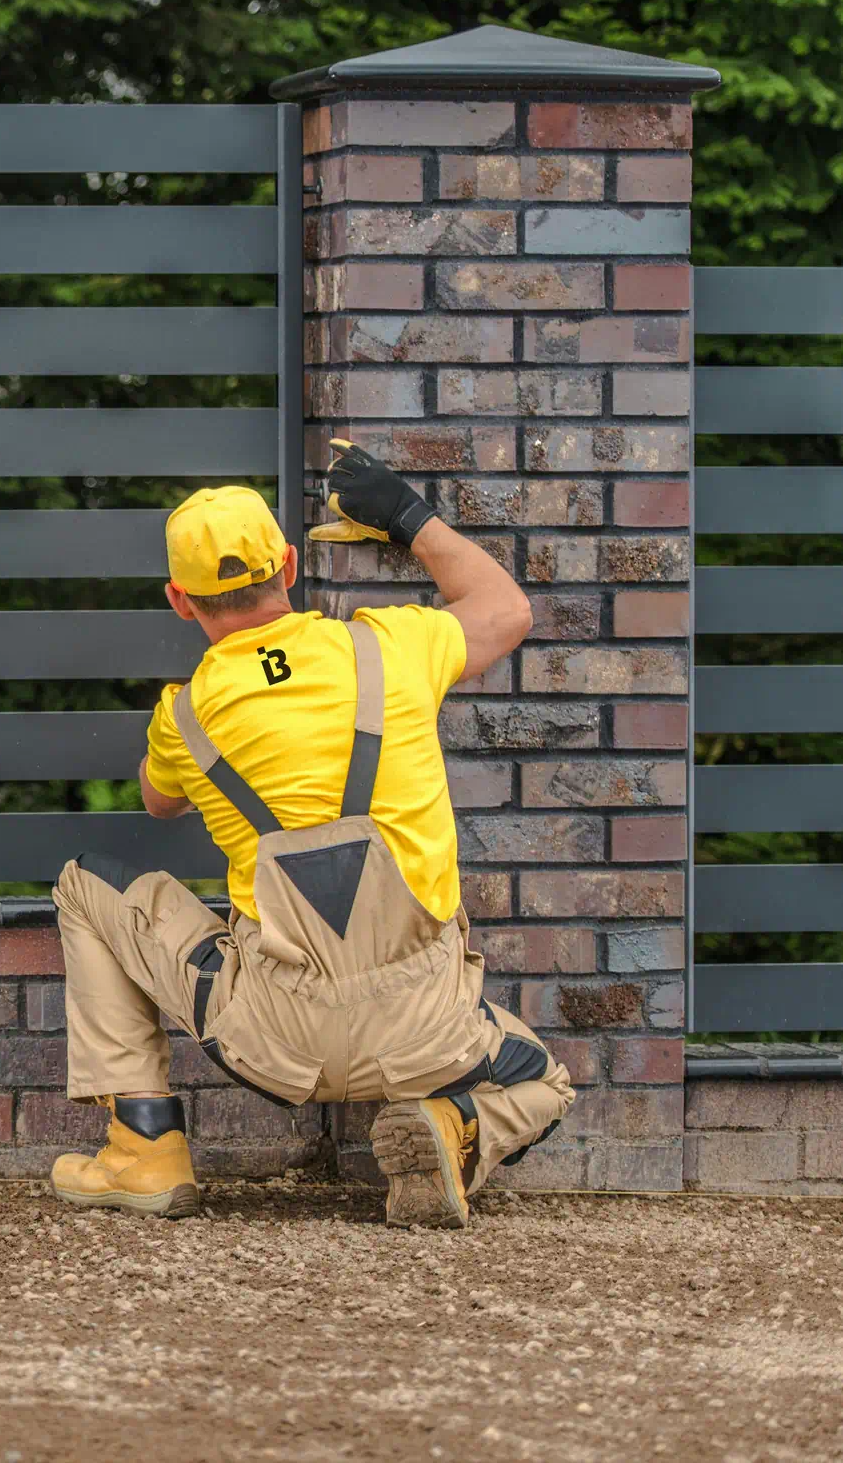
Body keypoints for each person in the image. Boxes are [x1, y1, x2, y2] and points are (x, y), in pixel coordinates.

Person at [50, 441, 576, 1228]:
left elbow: (159, 803)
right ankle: (456, 1124)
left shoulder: (185, 715)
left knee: (84, 884)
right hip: (426, 1036)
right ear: (290, 567)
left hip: (272, 1040)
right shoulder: (390, 648)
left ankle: (144, 1147)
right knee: (543, 1083)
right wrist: (405, 517)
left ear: (179, 600)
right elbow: (507, 611)